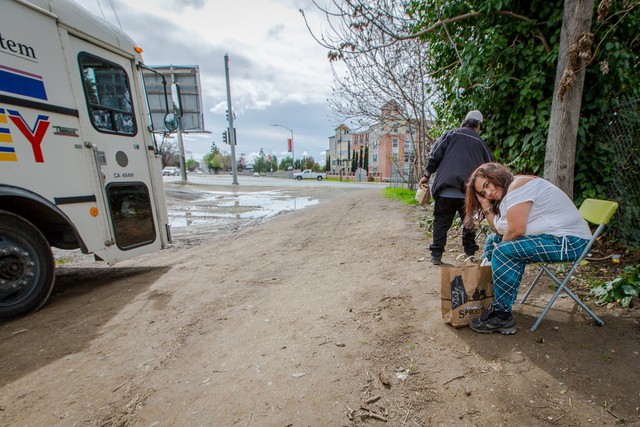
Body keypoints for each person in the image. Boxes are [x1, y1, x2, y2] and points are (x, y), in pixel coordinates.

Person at [463, 163, 592, 334]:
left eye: (488, 185)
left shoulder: (518, 186)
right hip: (553, 238)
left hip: (570, 242)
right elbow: (498, 229)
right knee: (492, 240)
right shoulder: (509, 193)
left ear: (495, 174)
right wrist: (485, 204)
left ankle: (502, 316)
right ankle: (492, 297)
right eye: (483, 193)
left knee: (503, 251)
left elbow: (516, 230)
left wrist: (499, 249)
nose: (489, 193)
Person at [419, 110, 494, 265]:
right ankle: (470, 255)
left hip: (446, 190)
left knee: (441, 222)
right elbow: (491, 166)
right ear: (478, 125)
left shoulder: (451, 134)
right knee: (469, 224)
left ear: (464, 121)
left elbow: (435, 155)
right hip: (468, 193)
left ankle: (436, 255)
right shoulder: (480, 142)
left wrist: (427, 175)